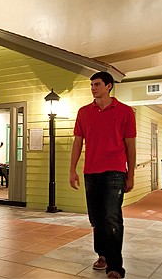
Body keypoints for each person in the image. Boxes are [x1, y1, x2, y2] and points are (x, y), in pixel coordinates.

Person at [69, 71, 136, 279]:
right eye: (91, 85)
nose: (93, 88)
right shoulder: (83, 112)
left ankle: (115, 266)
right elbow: (78, 142)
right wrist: (72, 169)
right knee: (96, 218)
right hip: (91, 171)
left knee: (111, 217)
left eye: (97, 84)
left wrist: (130, 173)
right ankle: (103, 254)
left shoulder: (125, 112)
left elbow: (130, 144)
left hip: (115, 171)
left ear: (109, 86)